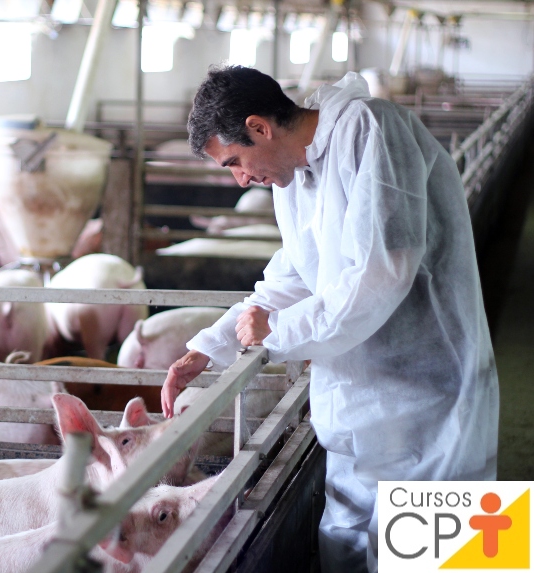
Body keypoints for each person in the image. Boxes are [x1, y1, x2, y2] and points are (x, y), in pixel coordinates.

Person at [161, 66, 499, 573]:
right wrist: (211, 346)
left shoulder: (371, 129)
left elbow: (384, 270)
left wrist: (276, 333)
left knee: (445, 558)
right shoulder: (293, 179)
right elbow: (296, 272)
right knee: (350, 551)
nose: (241, 179)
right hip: (357, 407)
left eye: (235, 162)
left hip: (430, 401)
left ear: (259, 127)